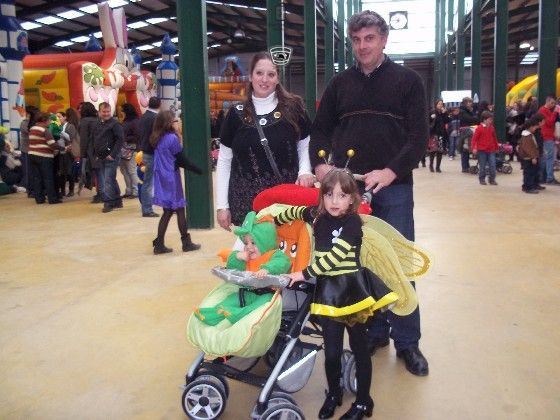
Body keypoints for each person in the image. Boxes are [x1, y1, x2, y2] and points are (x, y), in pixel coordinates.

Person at [309, 10, 429, 377]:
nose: (363, 46)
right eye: (357, 40)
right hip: (348, 193)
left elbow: (418, 138)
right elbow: (320, 130)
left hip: (394, 189)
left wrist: (390, 171)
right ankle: (375, 331)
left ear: (384, 40)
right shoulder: (340, 84)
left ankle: (408, 342)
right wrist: (321, 166)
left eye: (370, 39)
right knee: (359, 262)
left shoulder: (408, 81)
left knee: (397, 263)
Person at [275, 169, 397, 420]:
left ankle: (363, 401)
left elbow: (334, 258)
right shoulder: (317, 216)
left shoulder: (353, 223)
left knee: (360, 348)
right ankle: (333, 393)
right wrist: (273, 220)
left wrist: (304, 273)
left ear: (352, 199)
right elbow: (295, 212)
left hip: (352, 293)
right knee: (331, 352)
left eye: (342, 195)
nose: (334, 201)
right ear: (322, 196)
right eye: (329, 195)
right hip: (328, 294)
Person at [216, 51, 314, 230]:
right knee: (251, 248)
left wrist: (305, 171)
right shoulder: (235, 114)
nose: (264, 79)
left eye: (271, 74)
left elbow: (305, 143)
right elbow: (224, 160)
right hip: (247, 205)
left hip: (286, 203)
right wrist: (222, 206)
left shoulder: (294, 107)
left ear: (277, 78)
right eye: (259, 73)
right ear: (251, 76)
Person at [150, 110, 200, 254]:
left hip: (162, 177)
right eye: (174, 121)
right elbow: (181, 159)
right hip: (172, 177)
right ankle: (186, 243)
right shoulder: (172, 138)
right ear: (169, 123)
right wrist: (198, 170)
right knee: (179, 210)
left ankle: (159, 244)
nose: (177, 123)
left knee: (167, 211)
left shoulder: (157, 138)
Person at [27, 112, 66, 204]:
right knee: (48, 178)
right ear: (44, 120)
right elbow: (52, 144)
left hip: (32, 155)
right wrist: (64, 148)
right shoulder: (45, 130)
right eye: (49, 120)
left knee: (37, 178)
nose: (50, 122)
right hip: (44, 156)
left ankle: (39, 199)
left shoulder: (32, 129)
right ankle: (52, 199)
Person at [92, 102, 124, 213]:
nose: (106, 114)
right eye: (104, 111)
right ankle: (117, 201)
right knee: (110, 179)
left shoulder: (115, 124)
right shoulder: (97, 124)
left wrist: (113, 154)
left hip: (111, 157)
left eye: (108, 111)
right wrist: (95, 154)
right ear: (99, 112)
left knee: (107, 180)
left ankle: (109, 203)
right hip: (101, 156)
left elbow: (120, 140)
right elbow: (95, 139)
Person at [139, 96, 161, 217]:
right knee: (149, 182)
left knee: (147, 181)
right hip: (153, 152)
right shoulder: (156, 118)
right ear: (159, 105)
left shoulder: (143, 117)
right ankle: (147, 209)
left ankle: (147, 207)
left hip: (145, 151)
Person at [79, 102, 101, 202]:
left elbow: (84, 139)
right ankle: (103, 192)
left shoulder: (84, 121)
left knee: (96, 173)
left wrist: (83, 154)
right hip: (101, 149)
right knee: (102, 172)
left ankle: (100, 194)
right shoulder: (98, 120)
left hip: (91, 151)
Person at [517, 114, 545, 193]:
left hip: (528, 157)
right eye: (535, 127)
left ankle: (527, 186)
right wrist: (533, 157)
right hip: (528, 158)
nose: (536, 128)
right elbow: (529, 148)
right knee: (529, 173)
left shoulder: (528, 135)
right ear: (530, 127)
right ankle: (528, 187)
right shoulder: (527, 136)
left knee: (529, 172)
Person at [472, 111, 499, 186]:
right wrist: (474, 148)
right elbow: (474, 139)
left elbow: (494, 138)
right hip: (482, 150)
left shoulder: (492, 128)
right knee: (482, 166)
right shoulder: (479, 128)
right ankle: (482, 179)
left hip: (491, 150)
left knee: (493, 165)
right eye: (489, 119)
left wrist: (496, 147)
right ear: (484, 120)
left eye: (491, 119)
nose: (491, 121)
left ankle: (492, 179)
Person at [537, 95, 560, 185]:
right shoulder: (543, 110)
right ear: (547, 101)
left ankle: (543, 177)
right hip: (547, 137)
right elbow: (550, 122)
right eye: (552, 103)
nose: (553, 105)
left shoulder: (544, 110)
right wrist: (555, 112)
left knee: (546, 158)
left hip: (548, 136)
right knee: (549, 158)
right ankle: (549, 178)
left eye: (554, 103)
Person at [119, 103, 140, 198]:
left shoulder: (135, 122)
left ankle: (135, 191)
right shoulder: (126, 121)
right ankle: (128, 190)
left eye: (122, 111)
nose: (121, 112)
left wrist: (124, 138)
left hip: (132, 149)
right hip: (124, 149)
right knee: (124, 170)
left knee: (131, 170)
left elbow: (137, 136)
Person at [58, 109, 80, 197]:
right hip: (60, 151)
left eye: (59, 117)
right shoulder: (57, 126)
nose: (58, 119)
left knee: (70, 171)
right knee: (61, 172)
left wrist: (62, 133)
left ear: (65, 117)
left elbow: (72, 138)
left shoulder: (70, 126)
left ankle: (71, 190)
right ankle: (62, 190)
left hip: (69, 151)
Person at [19, 105, 38, 196]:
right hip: (26, 150)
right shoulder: (24, 123)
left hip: (34, 150)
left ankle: (34, 189)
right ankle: (30, 190)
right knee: (28, 171)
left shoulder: (34, 123)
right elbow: (31, 133)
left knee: (34, 171)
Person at [428, 99, 448, 171]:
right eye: (439, 104)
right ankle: (431, 165)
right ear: (436, 105)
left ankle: (438, 167)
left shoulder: (443, 113)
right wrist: (431, 117)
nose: (440, 105)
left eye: (441, 104)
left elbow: (447, 121)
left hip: (441, 134)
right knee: (433, 150)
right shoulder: (432, 112)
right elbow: (427, 120)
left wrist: (445, 113)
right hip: (434, 133)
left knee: (440, 151)